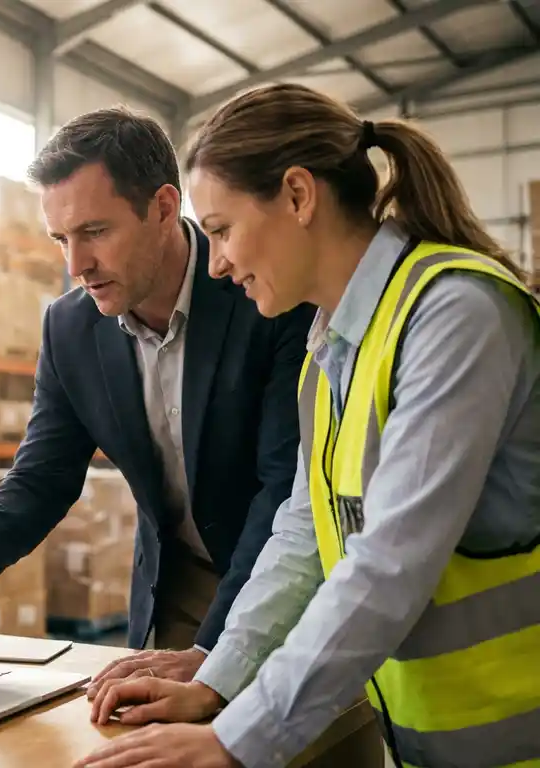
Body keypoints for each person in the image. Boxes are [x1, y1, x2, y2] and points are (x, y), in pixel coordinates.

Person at [76, 82, 540, 768]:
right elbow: (304, 533)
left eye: (223, 229)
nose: (219, 263)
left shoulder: (456, 315)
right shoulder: (330, 349)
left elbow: (390, 563)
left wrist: (239, 741)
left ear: (298, 195)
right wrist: (216, 679)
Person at [0, 108, 314, 683]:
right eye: (61, 238)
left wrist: (218, 652)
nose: (76, 265)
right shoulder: (70, 329)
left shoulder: (263, 292)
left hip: (288, 579)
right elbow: (44, 473)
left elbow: (284, 486)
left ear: (164, 209)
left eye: (95, 232)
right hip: (178, 589)